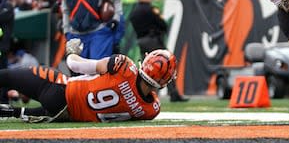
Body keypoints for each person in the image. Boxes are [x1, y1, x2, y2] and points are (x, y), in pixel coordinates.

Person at [0, 39, 176, 122]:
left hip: (61, 88)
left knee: (5, 76)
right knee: (20, 111)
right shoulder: (151, 109)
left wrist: (72, 51)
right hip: (67, 115)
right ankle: (12, 112)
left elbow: (75, 65)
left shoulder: (124, 67)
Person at [129, 0, 189, 102]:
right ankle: (174, 94)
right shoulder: (151, 10)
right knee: (165, 66)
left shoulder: (134, 12)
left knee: (145, 70)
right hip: (153, 41)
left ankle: (142, 95)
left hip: (141, 41)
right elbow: (162, 24)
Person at [0, 0, 14, 104]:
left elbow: (3, 17)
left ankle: (4, 100)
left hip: (2, 46)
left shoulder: (7, 6)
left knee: (3, 73)